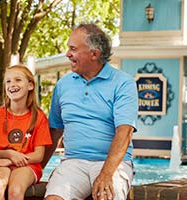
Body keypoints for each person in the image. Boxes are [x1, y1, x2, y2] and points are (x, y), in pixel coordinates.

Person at [44, 23, 138, 200]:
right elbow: (55, 131)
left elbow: (124, 132)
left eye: (73, 49)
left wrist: (106, 174)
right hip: (73, 163)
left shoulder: (123, 83)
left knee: (106, 196)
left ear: (94, 54)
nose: (68, 54)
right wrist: (37, 170)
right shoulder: (63, 85)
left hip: (113, 164)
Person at [0, 64, 53, 200]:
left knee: (15, 191)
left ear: (30, 85)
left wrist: (10, 161)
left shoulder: (39, 117)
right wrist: (10, 154)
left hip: (28, 165)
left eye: (18, 80)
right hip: (0, 163)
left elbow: (38, 155)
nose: (12, 84)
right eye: (8, 81)